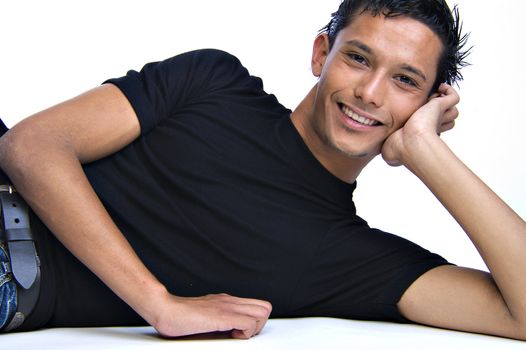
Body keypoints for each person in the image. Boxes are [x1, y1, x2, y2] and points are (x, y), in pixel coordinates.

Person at [0, 0, 525, 341]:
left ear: (431, 103)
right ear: (322, 53)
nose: (369, 93)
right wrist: (156, 303)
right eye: (359, 59)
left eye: (405, 80)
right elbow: (30, 146)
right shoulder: (214, 81)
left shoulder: (348, 258)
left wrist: (427, 151)